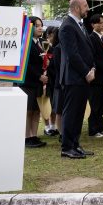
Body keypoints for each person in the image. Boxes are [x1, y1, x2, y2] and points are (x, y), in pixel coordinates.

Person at [58, 0, 96, 159]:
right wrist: (86, 72)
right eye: (85, 6)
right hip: (74, 78)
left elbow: (87, 49)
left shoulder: (79, 25)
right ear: (76, 8)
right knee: (71, 113)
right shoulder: (67, 26)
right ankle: (67, 147)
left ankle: (75, 144)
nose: (88, 9)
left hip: (83, 77)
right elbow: (72, 54)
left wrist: (92, 67)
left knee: (79, 113)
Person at [19, 16, 47, 148]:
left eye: (41, 25)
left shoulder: (41, 42)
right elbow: (26, 64)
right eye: (37, 25)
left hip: (39, 82)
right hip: (28, 82)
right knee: (28, 110)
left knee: (36, 110)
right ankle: (26, 137)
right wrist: (38, 76)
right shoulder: (26, 43)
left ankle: (34, 135)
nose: (40, 28)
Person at [87, 14, 103, 139]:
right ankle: (93, 129)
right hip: (96, 76)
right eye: (99, 23)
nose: (102, 25)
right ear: (93, 25)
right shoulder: (91, 38)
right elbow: (92, 57)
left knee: (102, 103)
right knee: (94, 104)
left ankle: (100, 128)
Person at [44, 27, 63, 139]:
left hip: (56, 80)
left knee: (56, 106)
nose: (49, 37)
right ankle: (47, 126)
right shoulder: (47, 47)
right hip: (48, 80)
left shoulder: (58, 48)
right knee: (47, 103)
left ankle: (53, 126)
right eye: (49, 35)